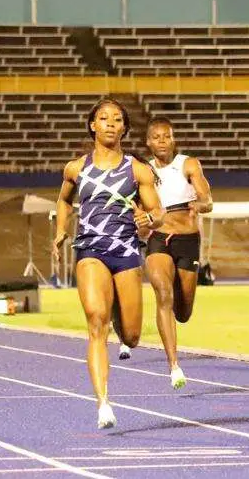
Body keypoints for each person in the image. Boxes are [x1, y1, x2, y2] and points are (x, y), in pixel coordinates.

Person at [53, 98, 164, 429]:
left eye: (117, 119)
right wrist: (61, 230)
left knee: (131, 335)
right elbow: (63, 200)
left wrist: (149, 219)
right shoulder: (76, 168)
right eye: (104, 118)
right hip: (90, 250)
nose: (111, 124)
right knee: (96, 321)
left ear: (125, 128)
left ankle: (121, 322)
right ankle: (103, 404)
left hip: (125, 252)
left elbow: (158, 212)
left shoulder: (138, 170)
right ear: (93, 125)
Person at [118, 117, 213, 391]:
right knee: (163, 293)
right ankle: (174, 366)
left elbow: (207, 199)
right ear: (148, 142)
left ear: (173, 140)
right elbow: (136, 207)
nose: (162, 141)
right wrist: (140, 219)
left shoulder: (188, 164)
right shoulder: (144, 171)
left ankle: (184, 291)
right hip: (159, 240)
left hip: (187, 241)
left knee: (183, 312)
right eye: (156, 137)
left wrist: (200, 204)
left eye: (166, 136)